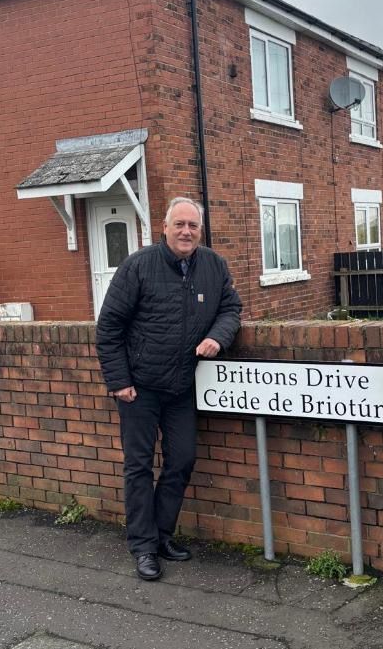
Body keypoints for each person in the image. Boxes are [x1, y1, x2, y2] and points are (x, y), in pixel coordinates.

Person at [96, 196, 242, 581]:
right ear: (164, 227)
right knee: (139, 467)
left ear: (200, 230)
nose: (186, 232)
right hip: (139, 389)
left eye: (193, 225)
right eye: (179, 224)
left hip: (182, 386)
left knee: (182, 460)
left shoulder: (213, 265)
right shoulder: (139, 266)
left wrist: (217, 337)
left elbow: (231, 308)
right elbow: (108, 327)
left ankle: (161, 536)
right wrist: (119, 381)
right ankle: (143, 546)